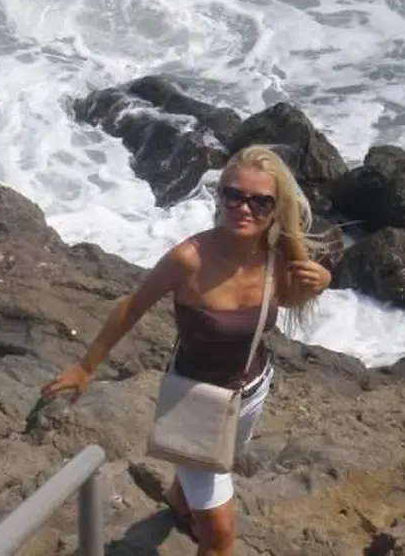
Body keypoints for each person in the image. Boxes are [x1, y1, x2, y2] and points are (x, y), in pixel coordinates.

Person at [41, 145, 332, 556]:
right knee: (220, 537)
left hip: (250, 395)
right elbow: (132, 306)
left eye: (259, 201)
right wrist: (85, 366)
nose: (243, 208)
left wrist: (321, 281)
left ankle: (180, 503)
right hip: (195, 402)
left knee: (216, 463)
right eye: (234, 195)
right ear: (220, 196)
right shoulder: (189, 258)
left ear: (274, 209)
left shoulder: (274, 258)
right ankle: (192, 505)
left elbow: (285, 299)